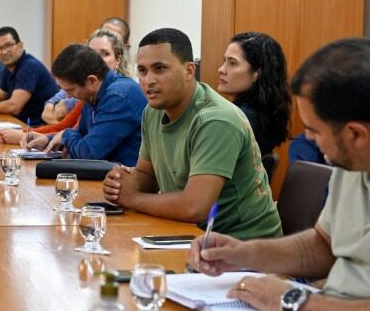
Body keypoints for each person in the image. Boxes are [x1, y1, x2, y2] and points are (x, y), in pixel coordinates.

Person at [189, 38, 370, 311]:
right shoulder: (351, 164)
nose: (308, 139)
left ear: (356, 135)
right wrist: (243, 253)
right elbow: (323, 245)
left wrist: (294, 302)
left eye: (314, 130)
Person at [102, 28, 281, 240]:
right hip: (190, 235)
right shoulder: (152, 112)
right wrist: (120, 183)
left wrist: (131, 198)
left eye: (160, 69)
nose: (148, 80)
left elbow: (194, 207)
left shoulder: (216, 120)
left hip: (243, 247)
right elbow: (147, 177)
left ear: (189, 71)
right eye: (142, 70)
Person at [0, 29, 130, 145]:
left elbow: (90, 146)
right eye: (92, 53)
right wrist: (30, 134)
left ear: (118, 59)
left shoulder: (115, 94)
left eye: (104, 54)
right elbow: (69, 129)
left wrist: (24, 135)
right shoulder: (89, 92)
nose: (96, 60)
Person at [24, 44, 146, 166]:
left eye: (70, 90)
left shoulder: (117, 97)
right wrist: (48, 139)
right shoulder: (92, 94)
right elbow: (80, 135)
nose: (68, 97)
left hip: (124, 180)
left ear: (92, 81)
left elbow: (89, 153)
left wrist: (65, 135)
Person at [217, 32, 290, 155]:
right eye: (224, 61)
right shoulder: (265, 116)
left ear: (257, 73)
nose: (221, 70)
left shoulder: (237, 119)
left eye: (232, 63)